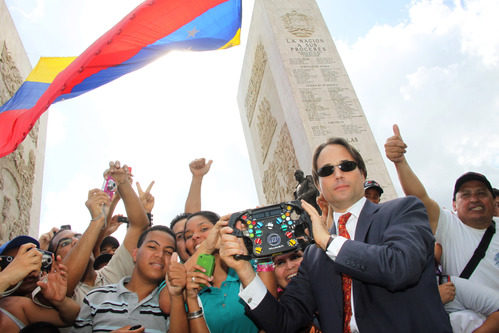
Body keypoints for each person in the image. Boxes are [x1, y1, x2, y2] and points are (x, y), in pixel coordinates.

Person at [220, 137, 451, 333]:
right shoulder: (313, 256)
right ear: (319, 185)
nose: (338, 174)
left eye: (346, 166)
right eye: (327, 171)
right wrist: (244, 271)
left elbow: (401, 268)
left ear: (362, 173)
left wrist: (328, 242)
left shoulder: (403, 210)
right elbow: (283, 322)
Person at [385, 124, 499, 332]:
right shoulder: (448, 225)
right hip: (469, 322)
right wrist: (400, 162)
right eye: (465, 195)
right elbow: (419, 197)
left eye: (481, 193)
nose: (474, 199)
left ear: (494, 201)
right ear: (454, 205)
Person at [48, 161, 150, 305]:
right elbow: (64, 284)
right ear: (53, 259)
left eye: (79, 237)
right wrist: (97, 221)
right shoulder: (49, 289)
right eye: (65, 243)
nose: (76, 241)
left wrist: (123, 183)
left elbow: (139, 225)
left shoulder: (111, 275)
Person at [71, 225, 187, 332]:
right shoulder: (96, 297)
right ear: (135, 254)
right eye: (152, 247)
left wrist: (176, 295)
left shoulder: (172, 306)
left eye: (168, 252)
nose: (160, 255)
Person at [178, 211, 276, 333]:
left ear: (223, 230)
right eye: (188, 236)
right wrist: (192, 299)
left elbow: (272, 318)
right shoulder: (190, 289)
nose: (194, 236)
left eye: (203, 229)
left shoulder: (250, 267)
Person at [0, 255, 80, 331]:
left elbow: (71, 318)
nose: (27, 271)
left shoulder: (12, 305)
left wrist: (61, 302)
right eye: (13, 262)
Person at [170, 158, 212, 263]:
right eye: (182, 236)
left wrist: (197, 178)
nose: (194, 237)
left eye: (203, 229)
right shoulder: (172, 279)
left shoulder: (243, 264)